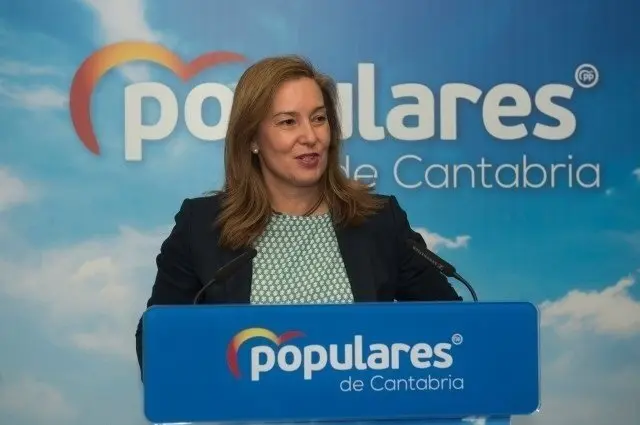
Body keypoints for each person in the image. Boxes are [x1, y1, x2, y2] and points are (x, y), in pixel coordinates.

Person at [135, 55, 461, 373]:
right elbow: (156, 343)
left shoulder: (378, 220)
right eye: (288, 122)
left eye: (318, 118)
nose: (310, 137)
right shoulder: (202, 226)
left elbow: (454, 327)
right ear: (252, 138)